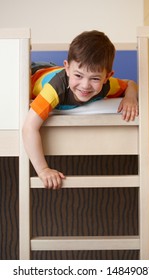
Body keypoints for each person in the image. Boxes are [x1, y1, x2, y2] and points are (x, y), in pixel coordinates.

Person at [22, 30, 138, 190]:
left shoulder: (108, 85)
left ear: (107, 77)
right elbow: (29, 127)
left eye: (95, 78)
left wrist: (130, 98)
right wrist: (43, 170)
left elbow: (130, 83)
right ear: (67, 68)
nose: (85, 85)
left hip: (52, 69)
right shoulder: (54, 90)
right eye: (78, 76)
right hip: (35, 71)